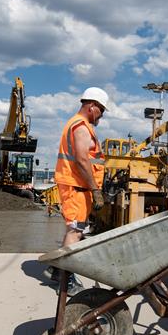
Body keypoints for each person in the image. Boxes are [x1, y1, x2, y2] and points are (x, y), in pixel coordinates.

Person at [49, 87, 109, 296]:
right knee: (75, 232)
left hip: (77, 187)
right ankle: (66, 281)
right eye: (101, 110)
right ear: (92, 106)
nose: (101, 115)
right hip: (76, 187)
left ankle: (57, 269)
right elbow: (83, 160)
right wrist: (95, 189)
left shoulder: (78, 125)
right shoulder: (81, 127)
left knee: (75, 230)